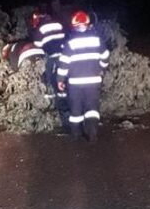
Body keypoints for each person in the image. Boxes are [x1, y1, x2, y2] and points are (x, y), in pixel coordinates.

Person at [56, 10, 110, 141]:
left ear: (73, 26)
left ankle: (76, 135)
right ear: (88, 24)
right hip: (93, 81)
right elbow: (105, 56)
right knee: (92, 108)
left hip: (75, 83)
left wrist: (60, 80)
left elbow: (64, 63)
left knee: (76, 109)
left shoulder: (70, 43)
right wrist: (101, 68)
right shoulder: (97, 40)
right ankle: (92, 133)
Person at [29, 8, 68, 130]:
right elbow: (65, 36)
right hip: (63, 54)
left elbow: (37, 44)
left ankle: (55, 103)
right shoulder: (58, 23)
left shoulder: (41, 28)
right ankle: (66, 98)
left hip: (50, 55)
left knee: (49, 77)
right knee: (63, 78)